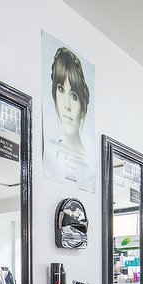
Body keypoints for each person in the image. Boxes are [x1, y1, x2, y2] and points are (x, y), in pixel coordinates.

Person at [46, 47, 93, 190]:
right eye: (61, 89)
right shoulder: (48, 154)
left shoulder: (91, 170)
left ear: (83, 107)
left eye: (73, 96)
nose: (67, 105)